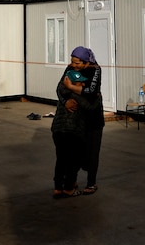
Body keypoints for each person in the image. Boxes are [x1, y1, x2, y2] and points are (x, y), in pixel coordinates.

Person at [57, 46, 104, 195]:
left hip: (93, 117)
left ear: (85, 62)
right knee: (75, 152)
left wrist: (71, 87)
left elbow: (92, 92)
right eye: (72, 62)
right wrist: (65, 102)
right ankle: (72, 181)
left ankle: (91, 183)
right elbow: (59, 88)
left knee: (92, 152)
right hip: (77, 119)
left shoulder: (95, 69)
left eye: (77, 63)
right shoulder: (70, 68)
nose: (73, 65)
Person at [50, 68, 92, 198]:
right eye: (80, 83)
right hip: (72, 132)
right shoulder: (76, 96)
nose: (83, 85)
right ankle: (69, 188)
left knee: (61, 159)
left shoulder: (63, 94)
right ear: (71, 83)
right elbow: (90, 107)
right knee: (73, 160)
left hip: (57, 131)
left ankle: (58, 188)